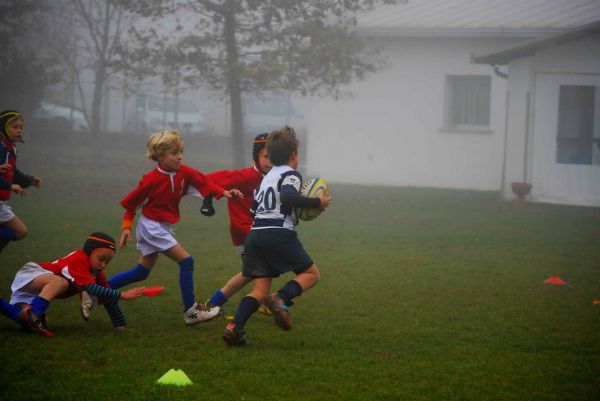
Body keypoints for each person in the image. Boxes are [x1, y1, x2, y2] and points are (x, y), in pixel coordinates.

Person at [107, 128, 241, 326]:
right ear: (159, 155)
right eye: (174, 153)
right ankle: (190, 311)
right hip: (152, 227)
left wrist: (224, 192)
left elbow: (203, 181)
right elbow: (132, 204)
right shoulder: (150, 179)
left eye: (181, 152)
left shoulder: (184, 172)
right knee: (186, 261)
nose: (180, 157)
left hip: (162, 227)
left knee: (141, 273)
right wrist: (126, 227)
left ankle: (96, 289)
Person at [222, 126, 331, 346]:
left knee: (259, 290)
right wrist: (317, 203)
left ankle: (235, 327)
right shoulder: (291, 175)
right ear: (294, 156)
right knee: (311, 274)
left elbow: (253, 209)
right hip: (278, 233)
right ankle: (281, 298)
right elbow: (288, 198)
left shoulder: (266, 177)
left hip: (255, 235)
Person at [0, 232, 145, 337]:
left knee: (29, 324)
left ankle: (21, 312)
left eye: (107, 262)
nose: (103, 264)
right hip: (31, 275)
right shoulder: (79, 258)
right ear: (89, 253)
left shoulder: (96, 272)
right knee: (61, 282)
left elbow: (106, 297)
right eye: (101, 259)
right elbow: (90, 288)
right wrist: (123, 295)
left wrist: (120, 326)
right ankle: (35, 312)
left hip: (35, 291)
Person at [201, 133, 273, 318]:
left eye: (274, 157)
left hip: (258, 232)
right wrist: (210, 198)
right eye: (265, 156)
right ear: (256, 156)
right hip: (245, 232)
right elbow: (206, 180)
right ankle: (218, 303)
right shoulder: (244, 176)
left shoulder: (273, 178)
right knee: (260, 267)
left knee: (255, 270)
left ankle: (260, 300)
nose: (270, 161)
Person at [0, 110, 41, 253]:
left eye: (21, 127)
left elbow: (12, 172)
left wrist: (28, 180)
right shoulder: (1, 147)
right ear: (3, 127)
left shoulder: (10, 147)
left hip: (2, 201)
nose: (19, 130)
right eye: (14, 127)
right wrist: (10, 186)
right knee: (20, 232)